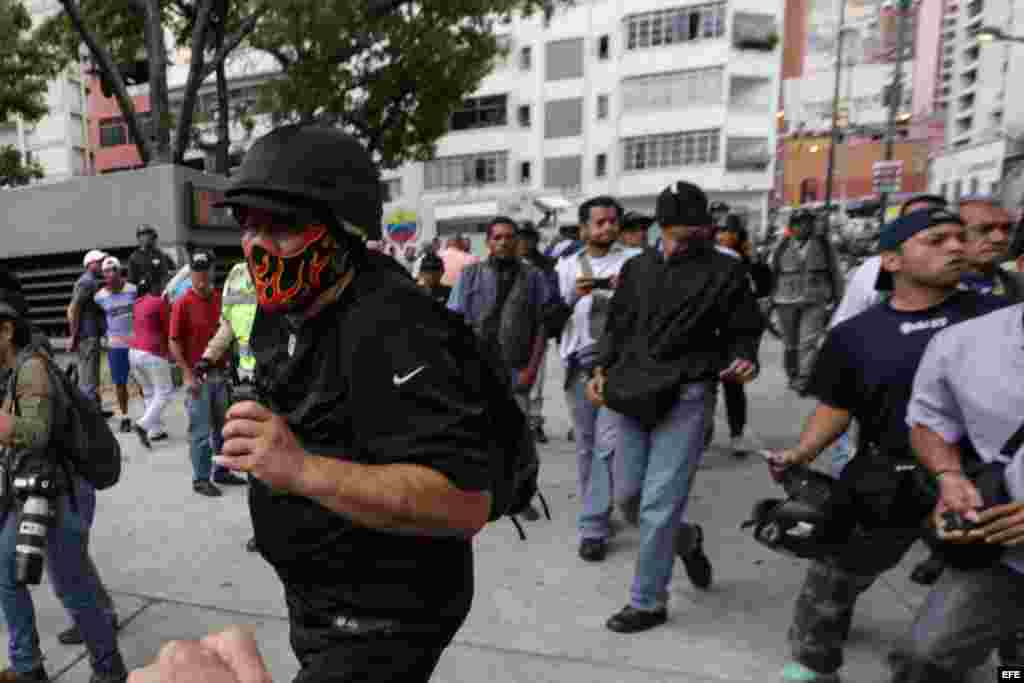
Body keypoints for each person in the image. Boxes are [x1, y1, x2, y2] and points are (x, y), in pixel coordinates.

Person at [212, 124, 494, 683]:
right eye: (247, 224)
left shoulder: (400, 326)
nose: (256, 245)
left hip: (382, 618)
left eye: (283, 226)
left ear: (342, 232)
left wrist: (300, 468)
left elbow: (465, 503)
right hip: (321, 600)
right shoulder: (294, 306)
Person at [765, 207, 1009, 683]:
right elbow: (837, 406)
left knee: (1002, 601)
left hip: (980, 484)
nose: (956, 247)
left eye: (960, 238)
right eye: (937, 240)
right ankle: (816, 668)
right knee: (832, 576)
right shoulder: (854, 335)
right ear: (892, 261)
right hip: (884, 477)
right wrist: (802, 453)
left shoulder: (997, 320)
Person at [587, 181, 763, 633]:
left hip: (686, 395)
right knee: (628, 498)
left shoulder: (726, 272)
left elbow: (745, 328)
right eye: (679, 230)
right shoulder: (638, 269)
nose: (689, 238)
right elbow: (617, 325)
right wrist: (601, 369)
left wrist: (744, 357)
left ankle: (648, 601)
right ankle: (686, 540)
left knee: (658, 505)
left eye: (697, 229)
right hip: (629, 393)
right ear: (662, 228)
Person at [0, 270, 128, 683]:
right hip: (27, 492)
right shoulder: (12, 369)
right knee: (7, 577)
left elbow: (35, 433)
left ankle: (108, 670)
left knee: (73, 590)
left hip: (53, 494)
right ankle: (28, 666)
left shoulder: (32, 368)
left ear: (5, 330)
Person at [888, 299, 1024, 681]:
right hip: (1004, 552)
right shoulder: (963, 344)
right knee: (924, 660)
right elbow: (930, 418)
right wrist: (949, 475)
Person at [556, 196, 633, 561]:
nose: (607, 228)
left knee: (608, 446)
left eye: (612, 221)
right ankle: (595, 510)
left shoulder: (634, 263)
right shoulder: (567, 267)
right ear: (584, 228)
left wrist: (625, 291)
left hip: (618, 369)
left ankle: (594, 525)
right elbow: (551, 319)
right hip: (579, 366)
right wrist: (573, 295)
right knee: (587, 445)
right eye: (599, 222)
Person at [448, 217, 551, 416]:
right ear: (488, 242)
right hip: (477, 368)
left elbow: (542, 325)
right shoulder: (470, 275)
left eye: (509, 237)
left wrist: (531, 370)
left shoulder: (534, 276)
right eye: (497, 237)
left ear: (517, 241)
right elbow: (453, 322)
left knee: (516, 435)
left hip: (517, 367)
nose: (503, 242)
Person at [169, 250, 247, 497]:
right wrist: (187, 374)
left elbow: (229, 333)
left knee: (223, 428)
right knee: (200, 431)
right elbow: (174, 341)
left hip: (221, 375)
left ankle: (221, 470)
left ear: (212, 270)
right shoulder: (182, 302)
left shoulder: (220, 299)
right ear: (190, 272)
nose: (201, 276)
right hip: (198, 378)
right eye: (196, 271)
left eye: (205, 270)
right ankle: (201, 478)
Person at [198, 260, 259, 549]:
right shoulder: (237, 275)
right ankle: (263, 526)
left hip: (284, 378)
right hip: (248, 380)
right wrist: (209, 356)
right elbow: (229, 325)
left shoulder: (283, 269)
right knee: (252, 457)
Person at [770, 209, 845, 394]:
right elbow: (771, 273)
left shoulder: (824, 246)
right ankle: (792, 373)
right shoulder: (781, 246)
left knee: (808, 341)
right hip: (785, 300)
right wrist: (768, 301)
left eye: (808, 222)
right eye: (799, 223)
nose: (804, 226)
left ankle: (804, 378)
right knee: (790, 341)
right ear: (792, 226)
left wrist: (838, 298)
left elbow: (835, 273)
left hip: (815, 298)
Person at [517, 221, 559, 444]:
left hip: (536, 331)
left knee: (536, 380)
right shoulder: (506, 263)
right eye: (521, 237)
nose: (524, 242)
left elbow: (552, 298)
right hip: (509, 331)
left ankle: (535, 422)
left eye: (528, 237)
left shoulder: (547, 265)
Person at [127, 278, 173, 448]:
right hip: (152, 352)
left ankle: (155, 431)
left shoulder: (136, 304)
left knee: (149, 392)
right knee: (164, 393)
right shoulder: (158, 302)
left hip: (134, 352)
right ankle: (143, 425)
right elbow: (169, 329)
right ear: (153, 288)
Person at [94, 256, 138, 434]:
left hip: (136, 343)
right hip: (115, 345)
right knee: (120, 383)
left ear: (120, 272)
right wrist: (103, 332)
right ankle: (125, 417)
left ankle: (150, 418)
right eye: (106, 273)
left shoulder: (133, 290)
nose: (110, 276)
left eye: (113, 272)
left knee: (142, 380)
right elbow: (97, 316)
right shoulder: (99, 297)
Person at [67, 249, 111, 416]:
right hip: (86, 335)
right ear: (90, 264)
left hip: (91, 333)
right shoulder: (86, 282)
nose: (102, 265)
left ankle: (95, 409)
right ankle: (88, 415)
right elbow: (74, 309)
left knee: (92, 374)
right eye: (99, 262)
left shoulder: (92, 281)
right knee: (88, 376)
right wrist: (74, 336)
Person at [127, 224, 177, 291]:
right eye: (146, 235)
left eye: (152, 237)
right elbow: (131, 282)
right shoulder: (134, 258)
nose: (151, 239)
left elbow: (174, 272)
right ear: (139, 238)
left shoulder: (162, 254)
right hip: (144, 294)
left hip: (162, 293)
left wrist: (169, 276)